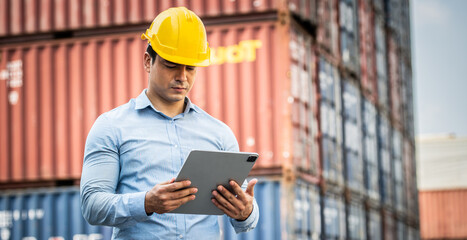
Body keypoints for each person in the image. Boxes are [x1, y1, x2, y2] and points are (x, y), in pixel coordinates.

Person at [80, 7, 259, 239]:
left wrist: (246, 212)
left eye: (191, 68)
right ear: (148, 61)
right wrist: (146, 203)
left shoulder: (219, 134)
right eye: (171, 65)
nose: (182, 77)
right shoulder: (111, 127)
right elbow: (92, 206)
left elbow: (244, 218)